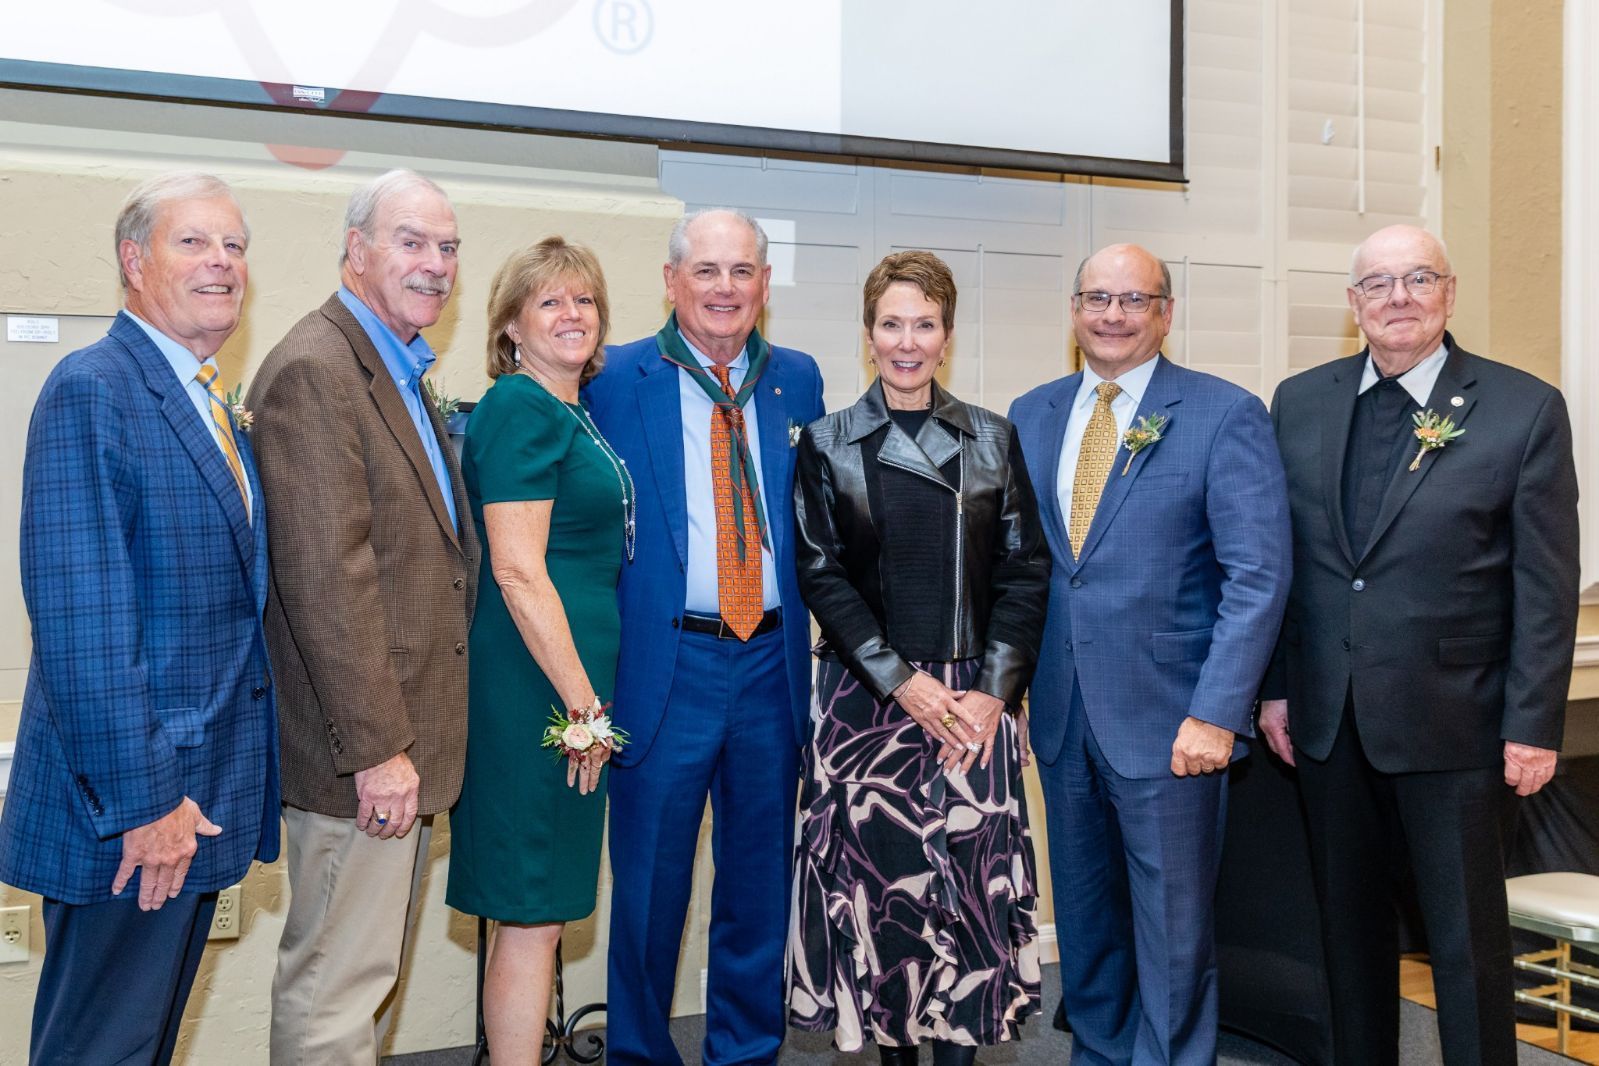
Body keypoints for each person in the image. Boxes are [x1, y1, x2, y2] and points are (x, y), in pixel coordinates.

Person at [1257, 225, 1579, 1066]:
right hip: (1329, 722)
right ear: (1352, 302)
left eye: (1417, 279)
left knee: (1464, 944)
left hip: (1459, 727)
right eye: (1377, 283)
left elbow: (1545, 587)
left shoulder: (1522, 407)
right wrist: (1279, 688)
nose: (1397, 298)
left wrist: (1534, 723)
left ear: (1449, 291)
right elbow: (1288, 565)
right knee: (1346, 935)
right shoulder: (1299, 400)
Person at [0, 171, 278, 1065]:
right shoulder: (95, 388)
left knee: (142, 1045)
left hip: (195, 801)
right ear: (134, 261)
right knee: (100, 1050)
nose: (223, 263)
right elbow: (84, 634)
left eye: (234, 246)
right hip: (135, 811)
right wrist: (146, 805)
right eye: (194, 242)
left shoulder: (206, 401)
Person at [1008, 244, 1292, 1065]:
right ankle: (1097, 1054)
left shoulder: (1222, 412)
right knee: (1088, 926)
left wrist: (1214, 712)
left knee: (1172, 936)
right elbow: (1022, 567)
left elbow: (1257, 576)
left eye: (1134, 299)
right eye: (1097, 297)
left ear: (1165, 313)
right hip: (1061, 719)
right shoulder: (1033, 412)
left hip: (1172, 724)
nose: (1113, 314)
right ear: (1073, 309)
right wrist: (1014, 689)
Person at [786, 251, 1050, 1063]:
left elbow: (1025, 572)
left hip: (974, 702)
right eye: (891, 324)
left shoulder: (991, 437)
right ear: (867, 335)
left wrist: (993, 694)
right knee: (886, 905)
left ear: (947, 335)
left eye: (924, 325)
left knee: (968, 898)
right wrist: (903, 685)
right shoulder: (826, 443)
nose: (908, 342)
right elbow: (819, 573)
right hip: (867, 705)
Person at [584, 208, 825, 1065]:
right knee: (649, 890)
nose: (725, 289)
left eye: (742, 272)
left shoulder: (796, 378)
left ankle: (745, 1050)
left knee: (759, 883)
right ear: (671, 279)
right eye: (707, 271)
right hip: (665, 666)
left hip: (770, 663)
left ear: (764, 283)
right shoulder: (612, 378)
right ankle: (641, 1054)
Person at [249, 168, 479, 1064]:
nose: (434, 264)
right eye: (410, 242)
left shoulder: (395, 365)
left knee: (362, 984)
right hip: (362, 758)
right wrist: (381, 751)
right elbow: (325, 582)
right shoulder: (317, 368)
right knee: (332, 993)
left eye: (448, 246)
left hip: (399, 750)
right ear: (355, 250)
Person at [445, 237, 622, 1063]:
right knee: (529, 911)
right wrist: (583, 707)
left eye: (583, 300)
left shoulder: (568, 409)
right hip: (538, 689)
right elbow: (518, 573)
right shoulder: (518, 407)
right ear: (510, 325)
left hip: (565, 680)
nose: (571, 315)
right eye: (549, 301)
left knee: (540, 912)